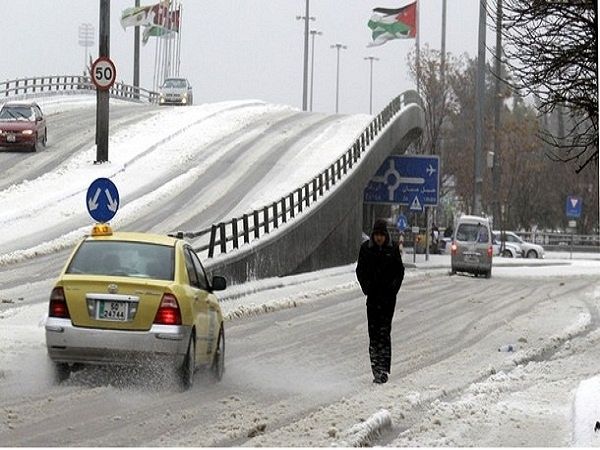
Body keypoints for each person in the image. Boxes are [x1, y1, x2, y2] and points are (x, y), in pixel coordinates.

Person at [355, 219, 405, 384]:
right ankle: (375, 368)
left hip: (388, 300)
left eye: (381, 235)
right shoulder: (366, 250)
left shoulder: (392, 249)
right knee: (373, 334)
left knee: (384, 333)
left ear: (385, 236)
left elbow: (400, 271)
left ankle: (383, 369)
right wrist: (366, 287)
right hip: (373, 298)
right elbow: (360, 270)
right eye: (376, 235)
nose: (378, 238)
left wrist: (393, 289)